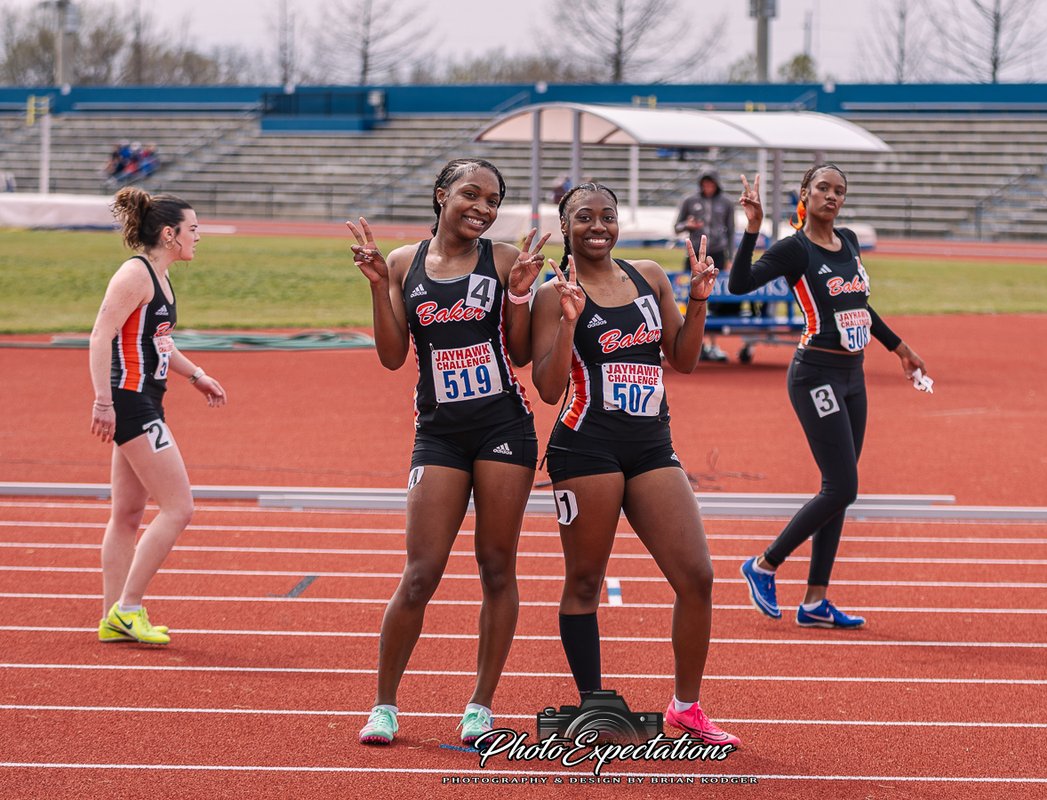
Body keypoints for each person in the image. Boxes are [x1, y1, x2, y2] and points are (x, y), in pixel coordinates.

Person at [531, 182, 740, 747]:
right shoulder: (556, 293)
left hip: (651, 446)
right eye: (584, 218)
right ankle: (594, 709)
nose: (597, 227)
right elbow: (547, 390)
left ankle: (685, 708)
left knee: (696, 576)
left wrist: (698, 298)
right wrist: (571, 319)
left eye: (607, 216)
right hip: (585, 446)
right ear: (565, 224)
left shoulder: (648, 275)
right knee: (585, 582)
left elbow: (685, 358)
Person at [349, 158, 547, 748]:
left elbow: (520, 356)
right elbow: (391, 356)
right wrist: (379, 288)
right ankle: (385, 705)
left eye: (493, 200)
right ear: (441, 196)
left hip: (503, 428)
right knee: (420, 572)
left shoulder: (507, 260)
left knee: (496, 566)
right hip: (438, 432)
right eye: (470, 194)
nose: (482, 208)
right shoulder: (405, 263)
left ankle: (480, 705)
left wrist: (518, 297)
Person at [732, 167, 928, 629]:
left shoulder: (850, 241)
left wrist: (899, 348)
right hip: (814, 375)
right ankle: (763, 565)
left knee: (838, 490)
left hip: (852, 377)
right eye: (823, 188)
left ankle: (816, 600)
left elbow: (859, 305)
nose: (832, 196)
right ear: (805, 194)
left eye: (840, 190)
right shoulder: (794, 248)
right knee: (843, 486)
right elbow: (739, 285)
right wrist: (753, 229)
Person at [89, 187, 227, 645]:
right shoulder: (136, 275)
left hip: (146, 397)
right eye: (193, 229)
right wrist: (103, 401)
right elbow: (100, 335)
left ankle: (114, 615)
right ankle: (128, 608)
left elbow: (159, 341)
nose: (198, 237)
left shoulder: (161, 278)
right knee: (179, 507)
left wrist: (196, 375)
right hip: (130, 400)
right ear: (169, 234)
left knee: (128, 512)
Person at [674, 171, 737, 362]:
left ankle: (712, 343)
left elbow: (731, 230)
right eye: (705, 184)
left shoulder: (725, 203)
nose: (708, 188)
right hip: (693, 254)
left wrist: (730, 257)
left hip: (716, 252)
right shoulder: (690, 201)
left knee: (713, 299)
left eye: (711, 184)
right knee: (690, 296)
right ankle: (693, 343)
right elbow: (676, 227)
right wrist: (689, 224)